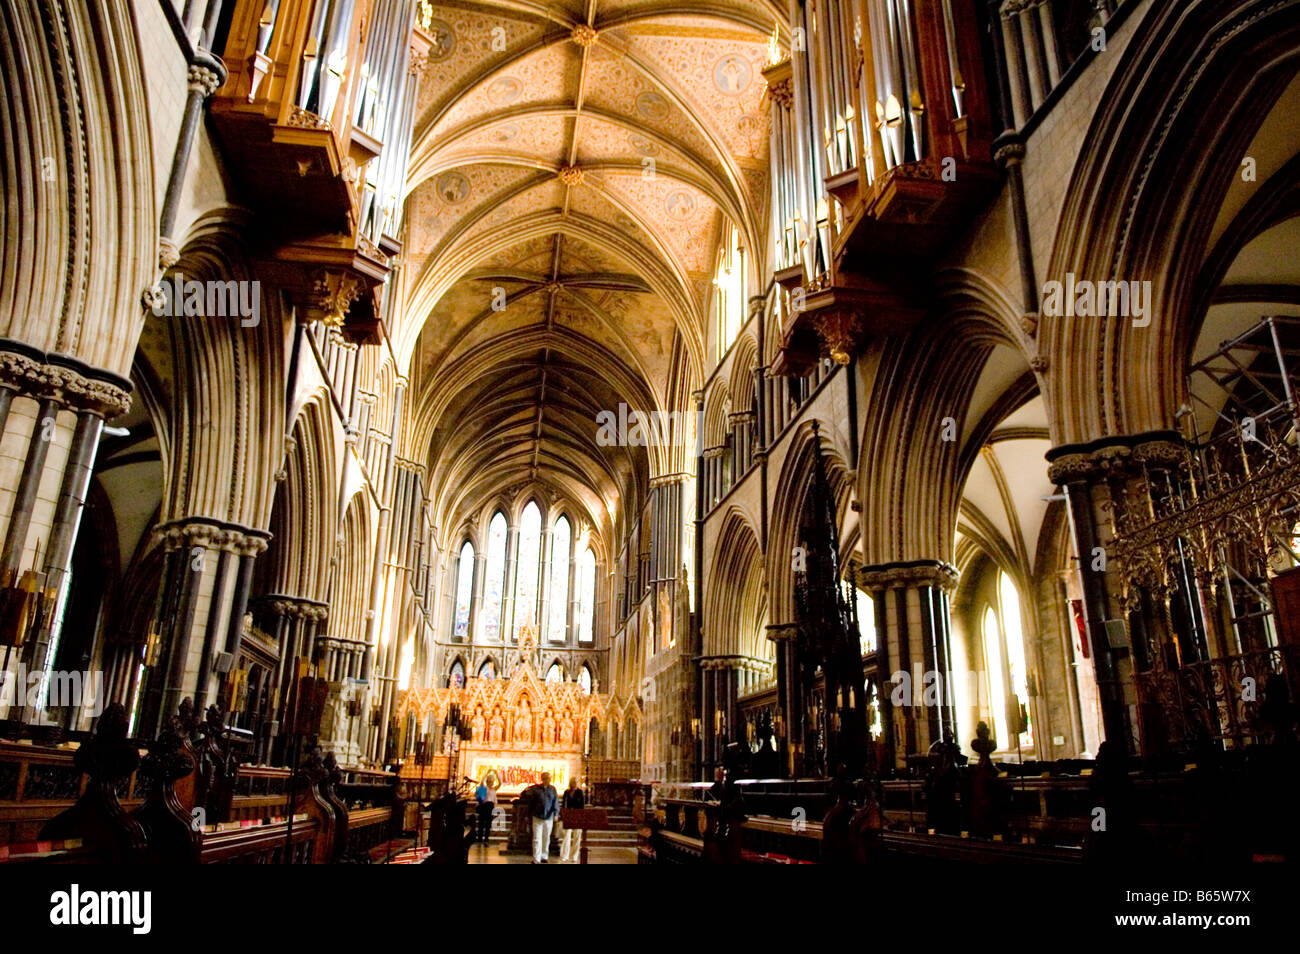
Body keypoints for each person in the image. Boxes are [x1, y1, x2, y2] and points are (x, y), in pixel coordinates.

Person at [531, 771, 559, 863]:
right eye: (546, 778)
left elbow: (555, 802)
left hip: (549, 817)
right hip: (537, 816)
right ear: (542, 779)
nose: (547, 780)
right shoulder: (536, 789)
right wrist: (530, 814)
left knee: (546, 837)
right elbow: (532, 803)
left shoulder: (552, 789)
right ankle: (536, 858)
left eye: (549, 778)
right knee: (537, 838)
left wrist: (556, 814)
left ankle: (544, 856)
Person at [559, 776, 585, 863]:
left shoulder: (580, 792)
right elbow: (564, 804)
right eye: (573, 782)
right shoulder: (567, 792)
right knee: (566, 836)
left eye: (576, 782)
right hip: (568, 816)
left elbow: (582, 806)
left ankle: (574, 856)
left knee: (577, 836)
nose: (574, 784)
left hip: (577, 816)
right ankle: (565, 855)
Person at [474, 772, 497, 845]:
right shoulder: (484, 787)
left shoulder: (494, 789)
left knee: (488, 824)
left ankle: (486, 839)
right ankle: (480, 839)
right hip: (484, 805)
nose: (490, 782)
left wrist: (496, 774)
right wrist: (486, 774)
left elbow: (494, 800)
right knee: (481, 823)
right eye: (489, 781)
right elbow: (481, 782)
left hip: (490, 806)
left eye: (491, 781)